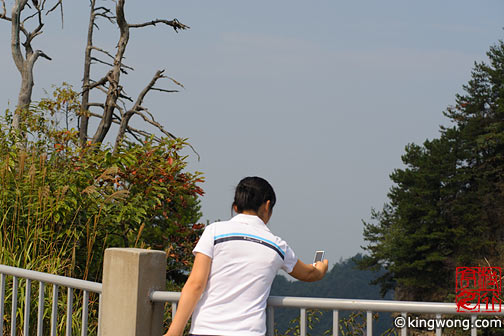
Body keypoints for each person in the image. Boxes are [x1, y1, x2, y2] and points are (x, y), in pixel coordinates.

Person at [164, 176, 328, 336]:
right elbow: (308, 274)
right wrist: (320, 268)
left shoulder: (214, 232)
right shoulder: (277, 245)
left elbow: (195, 284)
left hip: (206, 329)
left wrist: (174, 332)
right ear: (267, 205)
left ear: (236, 207)